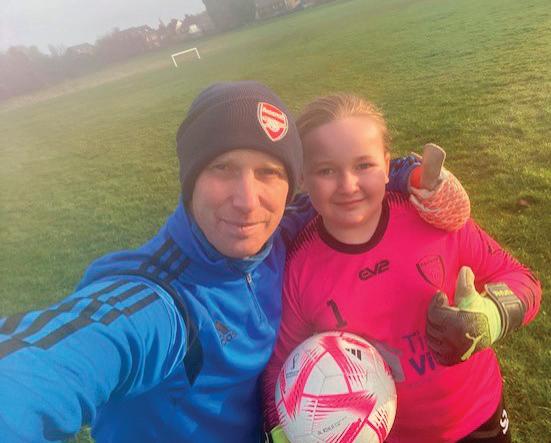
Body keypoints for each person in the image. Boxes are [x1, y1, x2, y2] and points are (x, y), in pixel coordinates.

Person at [0, 82, 468, 443]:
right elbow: (40, 368)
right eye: (222, 168)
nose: (247, 201)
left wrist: (410, 174)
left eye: (268, 172)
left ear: (291, 184)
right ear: (190, 179)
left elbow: (350, 186)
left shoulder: (279, 231)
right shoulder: (158, 301)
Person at [262, 94, 541, 443]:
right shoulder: (299, 267)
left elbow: (524, 280)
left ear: (387, 164)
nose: (348, 185)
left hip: (477, 417)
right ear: (303, 178)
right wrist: (283, 432)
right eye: (327, 170)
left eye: (364, 165)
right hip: (385, 435)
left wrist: (490, 318)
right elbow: (281, 366)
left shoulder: (433, 220)